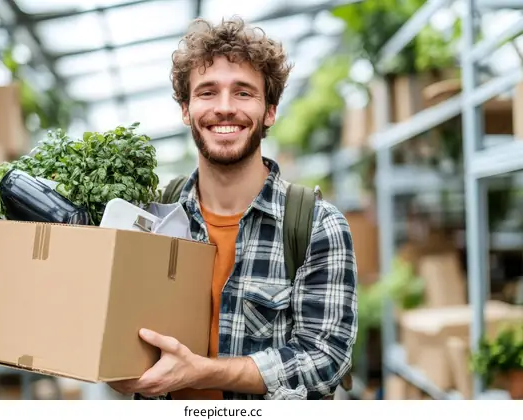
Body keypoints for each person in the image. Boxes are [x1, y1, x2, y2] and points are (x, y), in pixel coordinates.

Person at [107, 16, 358, 400]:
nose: (224, 108)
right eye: (207, 92)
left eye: (243, 93)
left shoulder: (316, 226)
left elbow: (325, 359)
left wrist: (204, 372)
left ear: (270, 110)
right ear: (186, 110)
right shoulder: (151, 216)